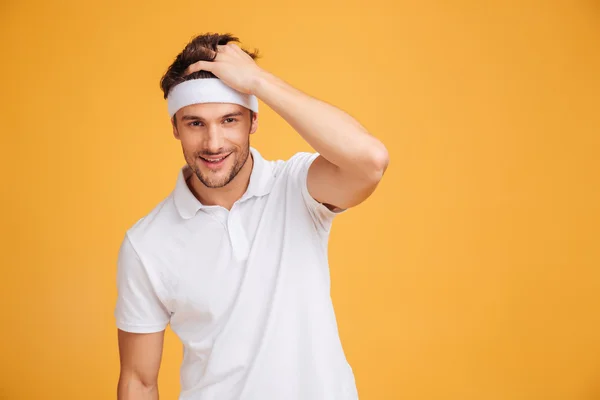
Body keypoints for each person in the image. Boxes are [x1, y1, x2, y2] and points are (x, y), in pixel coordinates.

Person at [114, 32, 389, 400]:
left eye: (229, 120)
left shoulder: (296, 188)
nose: (213, 143)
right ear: (175, 127)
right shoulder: (146, 243)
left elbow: (370, 161)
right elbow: (138, 381)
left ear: (253, 121)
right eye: (196, 123)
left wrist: (258, 81)